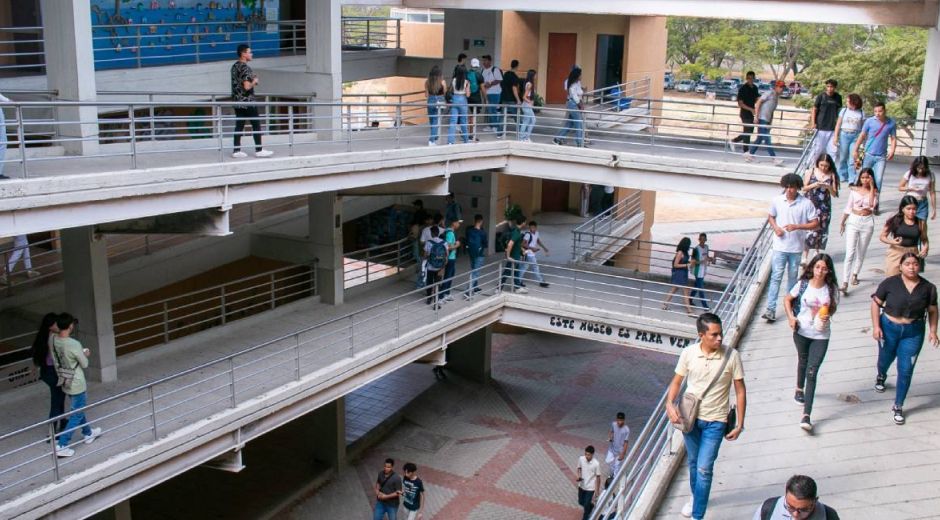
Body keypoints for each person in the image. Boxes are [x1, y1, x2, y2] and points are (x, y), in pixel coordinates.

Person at [665, 313, 746, 520]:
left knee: (704, 468)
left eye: (720, 334)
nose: (719, 339)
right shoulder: (689, 353)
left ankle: (698, 515)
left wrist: (740, 423)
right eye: (714, 335)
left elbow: (740, 390)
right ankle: (696, 497)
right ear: (701, 335)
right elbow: (676, 381)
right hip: (689, 419)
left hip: (716, 422)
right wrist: (669, 403)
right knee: (693, 463)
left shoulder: (731, 356)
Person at [871, 252, 940, 425]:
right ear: (901, 266)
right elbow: (876, 303)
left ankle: (898, 404)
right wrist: (876, 326)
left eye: (915, 264)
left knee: (906, 369)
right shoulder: (890, 283)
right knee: (885, 358)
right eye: (907, 264)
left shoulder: (928, 288)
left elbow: (932, 310)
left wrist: (933, 331)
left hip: (913, 331)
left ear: (920, 266)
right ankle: (881, 374)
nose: (911, 267)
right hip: (889, 328)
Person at [783, 254, 839, 432]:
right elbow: (787, 299)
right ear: (812, 268)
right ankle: (799, 388)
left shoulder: (831, 289)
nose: (820, 271)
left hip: (821, 334)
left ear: (828, 271)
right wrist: (791, 317)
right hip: (801, 330)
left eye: (824, 268)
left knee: (812, 371)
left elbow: (833, 307)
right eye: (817, 267)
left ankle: (806, 414)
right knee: (803, 359)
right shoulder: (803, 285)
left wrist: (827, 315)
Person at [762, 174, 819, 322]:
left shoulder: (806, 203)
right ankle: (770, 309)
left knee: (793, 279)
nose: (789, 190)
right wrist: (776, 229)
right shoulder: (777, 200)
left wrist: (797, 226)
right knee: (776, 277)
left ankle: (791, 307)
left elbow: (815, 223)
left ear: (797, 188)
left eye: (792, 187)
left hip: (796, 247)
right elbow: (771, 216)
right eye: (786, 187)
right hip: (780, 246)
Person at [51, 313, 102, 457]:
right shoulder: (73, 344)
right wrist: (84, 353)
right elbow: (84, 364)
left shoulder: (54, 340)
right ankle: (62, 444)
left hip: (64, 378)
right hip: (76, 381)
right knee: (77, 413)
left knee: (78, 409)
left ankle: (88, 433)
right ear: (70, 326)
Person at [839, 167, 879, 293]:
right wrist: (842, 221)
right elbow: (848, 207)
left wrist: (872, 187)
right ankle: (845, 281)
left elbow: (872, 205)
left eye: (867, 177)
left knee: (861, 251)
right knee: (850, 252)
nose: (865, 180)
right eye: (863, 177)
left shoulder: (875, 191)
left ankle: (855, 274)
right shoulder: (854, 190)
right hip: (854, 220)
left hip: (867, 221)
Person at [230, 44, 273, 158]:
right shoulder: (245, 67)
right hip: (247, 101)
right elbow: (247, 87)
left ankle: (236, 150)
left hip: (237, 101)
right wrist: (254, 81)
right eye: (249, 52)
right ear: (243, 54)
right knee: (256, 124)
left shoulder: (235, 66)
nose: (251, 54)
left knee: (239, 125)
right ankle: (259, 150)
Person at [30, 313, 66, 434]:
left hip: (47, 372)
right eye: (56, 323)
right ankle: (52, 431)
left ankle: (62, 421)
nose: (59, 325)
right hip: (53, 372)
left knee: (59, 397)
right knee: (56, 401)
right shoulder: (54, 338)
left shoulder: (43, 337)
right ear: (51, 326)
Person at [802, 154, 839, 264]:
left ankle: (817, 252)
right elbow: (804, 188)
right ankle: (805, 255)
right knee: (808, 228)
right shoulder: (811, 171)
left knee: (821, 228)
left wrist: (828, 187)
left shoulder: (832, 175)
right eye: (821, 165)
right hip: (811, 203)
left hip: (824, 205)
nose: (823, 168)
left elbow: (834, 194)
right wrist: (815, 185)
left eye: (826, 166)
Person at [852, 102, 897, 192]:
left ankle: (875, 200)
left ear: (884, 111)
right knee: (864, 177)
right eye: (875, 111)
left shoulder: (891, 123)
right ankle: (861, 196)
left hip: (881, 156)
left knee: (878, 179)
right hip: (868, 154)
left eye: (880, 111)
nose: (877, 113)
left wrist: (892, 150)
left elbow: (893, 138)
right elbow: (862, 135)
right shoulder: (869, 121)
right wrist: (855, 149)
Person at [879, 195, 928, 277]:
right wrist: (892, 241)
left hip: (913, 253)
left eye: (914, 209)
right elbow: (882, 236)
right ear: (902, 209)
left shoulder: (921, 222)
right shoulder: (894, 220)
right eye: (908, 209)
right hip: (896, 251)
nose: (912, 212)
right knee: (892, 278)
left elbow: (924, 239)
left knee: (910, 280)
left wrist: (925, 248)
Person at [754, 475, 841, 520]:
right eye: (790, 507)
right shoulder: (768, 509)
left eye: (804, 509)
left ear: (815, 501)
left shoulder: (828, 516)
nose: (796, 515)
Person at [745, 80, 785, 166]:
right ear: (776, 87)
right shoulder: (769, 93)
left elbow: (771, 111)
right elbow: (759, 102)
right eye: (780, 87)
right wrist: (756, 116)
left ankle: (750, 154)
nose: (782, 89)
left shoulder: (776, 97)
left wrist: (770, 122)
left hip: (766, 120)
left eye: (783, 87)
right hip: (761, 118)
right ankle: (774, 158)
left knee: (760, 138)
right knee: (767, 138)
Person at [831, 93, 864, 183]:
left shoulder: (861, 112)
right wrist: (835, 137)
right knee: (843, 157)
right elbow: (838, 124)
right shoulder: (844, 111)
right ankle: (842, 175)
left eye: (848, 101)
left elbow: (863, 127)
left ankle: (852, 178)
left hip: (855, 135)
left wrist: (862, 139)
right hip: (844, 134)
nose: (847, 102)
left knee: (852, 157)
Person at [809, 79, 842, 160]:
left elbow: (839, 112)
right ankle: (810, 167)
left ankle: (832, 169)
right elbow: (814, 109)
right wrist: (813, 123)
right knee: (817, 149)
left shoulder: (838, 97)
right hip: (820, 127)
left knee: (833, 151)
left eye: (831, 87)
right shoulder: (821, 96)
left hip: (832, 128)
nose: (829, 89)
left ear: (835, 87)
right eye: (828, 86)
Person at [553, 67, 585, 147]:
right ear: (577, 75)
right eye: (580, 75)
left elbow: (580, 93)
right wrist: (580, 105)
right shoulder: (572, 85)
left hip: (574, 104)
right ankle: (579, 143)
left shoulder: (577, 83)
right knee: (579, 123)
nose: (581, 76)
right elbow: (575, 96)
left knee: (570, 124)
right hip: (573, 104)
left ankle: (557, 139)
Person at [663, 237, 695, 315]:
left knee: (674, 289)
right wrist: (687, 264)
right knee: (685, 291)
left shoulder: (685, 253)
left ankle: (664, 304)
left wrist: (690, 262)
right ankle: (689, 310)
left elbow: (683, 261)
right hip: (679, 273)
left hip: (683, 273)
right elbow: (675, 265)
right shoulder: (680, 252)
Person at [899, 156, 936, 221]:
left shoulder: (930, 175)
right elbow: (900, 187)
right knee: (909, 222)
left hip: (922, 202)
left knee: (922, 224)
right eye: (919, 168)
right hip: (910, 201)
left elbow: (932, 192)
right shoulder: (909, 173)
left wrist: (934, 209)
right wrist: (911, 188)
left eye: (923, 168)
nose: (920, 170)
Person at [731, 71, 759, 154]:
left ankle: (734, 141)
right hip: (744, 113)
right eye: (749, 78)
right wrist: (750, 109)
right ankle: (746, 151)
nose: (750, 80)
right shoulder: (743, 88)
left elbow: (757, 99)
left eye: (752, 78)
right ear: (746, 78)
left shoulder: (755, 88)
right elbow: (740, 103)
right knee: (747, 131)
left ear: (754, 78)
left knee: (749, 131)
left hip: (752, 113)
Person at [519, 220, 550, 288]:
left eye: (533, 227)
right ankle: (541, 281)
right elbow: (522, 244)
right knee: (534, 268)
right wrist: (532, 248)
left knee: (524, 267)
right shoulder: (527, 234)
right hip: (529, 254)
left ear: (536, 227)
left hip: (530, 254)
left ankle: (518, 281)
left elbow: (538, 241)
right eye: (530, 227)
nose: (531, 229)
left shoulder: (537, 233)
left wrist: (544, 248)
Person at [464, 214, 488, 299]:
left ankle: (475, 288)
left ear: (474, 221)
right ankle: (468, 291)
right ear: (481, 221)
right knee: (476, 272)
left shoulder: (469, 231)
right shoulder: (482, 232)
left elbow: (466, 241)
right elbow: (485, 244)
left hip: (471, 253)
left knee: (474, 269)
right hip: (479, 254)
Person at [502, 215, 528, 293]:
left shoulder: (516, 231)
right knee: (507, 272)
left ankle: (517, 288)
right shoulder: (516, 232)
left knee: (516, 272)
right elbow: (510, 244)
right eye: (525, 222)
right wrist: (508, 256)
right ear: (523, 223)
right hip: (513, 257)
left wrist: (522, 250)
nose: (526, 223)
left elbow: (517, 244)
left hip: (516, 256)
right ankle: (498, 288)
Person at [424, 226, 448, 309]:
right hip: (440, 268)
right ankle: (436, 301)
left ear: (432, 233)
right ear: (438, 233)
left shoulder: (429, 242)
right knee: (438, 284)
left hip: (430, 267)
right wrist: (443, 267)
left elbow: (426, 255)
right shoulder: (444, 242)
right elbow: (446, 256)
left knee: (429, 283)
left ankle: (429, 298)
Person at [575, 445, 602, 520]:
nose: (587, 456)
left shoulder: (596, 464)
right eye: (585, 454)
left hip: (590, 488)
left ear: (592, 454)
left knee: (586, 504)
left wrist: (597, 490)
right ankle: (591, 507)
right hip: (582, 485)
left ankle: (585, 517)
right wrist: (578, 475)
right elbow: (578, 468)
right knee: (580, 502)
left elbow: (598, 477)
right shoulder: (581, 459)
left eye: (588, 455)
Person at [498, 59, 522, 139]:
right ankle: (520, 133)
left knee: (502, 116)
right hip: (511, 100)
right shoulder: (515, 77)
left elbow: (502, 84)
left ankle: (499, 133)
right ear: (517, 66)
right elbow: (514, 89)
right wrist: (518, 100)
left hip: (504, 98)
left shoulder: (506, 74)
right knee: (517, 116)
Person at [447, 66, 471, 145]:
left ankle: (450, 141)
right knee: (463, 121)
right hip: (463, 100)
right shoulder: (467, 82)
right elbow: (468, 95)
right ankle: (466, 140)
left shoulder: (453, 80)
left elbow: (450, 90)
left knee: (453, 121)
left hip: (455, 99)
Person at [425, 66, 447, 146]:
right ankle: (432, 140)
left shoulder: (427, 82)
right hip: (440, 101)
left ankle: (434, 137)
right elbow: (445, 92)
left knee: (432, 121)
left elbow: (426, 95)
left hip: (430, 101)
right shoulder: (442, 82)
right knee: (436, 121)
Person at [440, 219, 461, 301]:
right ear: (453, 223)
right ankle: (441, 296)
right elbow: (447, 247)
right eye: (458, 222)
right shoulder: (450, 233)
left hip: (452, 257)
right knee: (447, 277)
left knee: (450, 275)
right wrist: (457, 245)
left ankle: (447, 293)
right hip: (449, 258)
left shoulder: (449, 232)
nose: (459, 224)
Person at [480, 55, 503, 132]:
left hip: (495, 93)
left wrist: (490, 83)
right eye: (483, 60)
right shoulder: (482, 71)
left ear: (490, 61)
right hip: (486, 93)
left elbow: (499, 80)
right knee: (489, 110)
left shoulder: (495, 69)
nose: (484, 62)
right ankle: (491, 125)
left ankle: (495, 126)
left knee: (492, 109)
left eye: (485, 60)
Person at [466, 58, 486, 141]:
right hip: (476, 99)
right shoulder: (479, 75)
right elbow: (483, 89)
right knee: (473, 117)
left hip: (467, 98)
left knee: (469, 116)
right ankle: (472, 135)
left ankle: (468, 133)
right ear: (478, 66)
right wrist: (486, 99)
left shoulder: (466, 74)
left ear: (471, 65)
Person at [606, 412, 630, 480]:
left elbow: (626, 442)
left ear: (624, 420)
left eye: (621, 420)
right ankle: (613, 473)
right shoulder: (613, 424)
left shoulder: (626, 430)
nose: (619, 422)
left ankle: (614, 478)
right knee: (608, 461)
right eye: (618, 420)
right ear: (616, 419)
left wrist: (623, 453)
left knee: (617, 466)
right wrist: (610, 438)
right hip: (612, 448)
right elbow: (612, 431)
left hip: (620, 451)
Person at [690, 233, 711, 310]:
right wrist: (702, 262)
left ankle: (689, 300)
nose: (702, 241)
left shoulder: (706, 247)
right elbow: (693, 261)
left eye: (704, 239)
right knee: (701, 288)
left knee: (696, 286)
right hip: (697, 270)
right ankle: (705, 306)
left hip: (703, 270)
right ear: (699, 239)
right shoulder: (696, 249)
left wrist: (710, 259)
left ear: (706, 239)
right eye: (701, 239)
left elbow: (706, 256)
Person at [518, 69, 537, 142]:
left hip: (526, 105)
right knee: (528, 121)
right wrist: (530, 102)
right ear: (532, 75)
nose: (536, 76)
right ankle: (524, 137)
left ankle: (525, 137)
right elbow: (524, 96)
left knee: (530, 121)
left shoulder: (528, 83)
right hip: (527, 105)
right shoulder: (529, 84)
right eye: (535, 75)